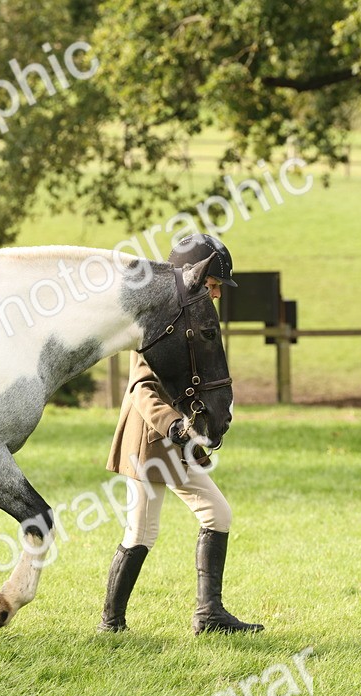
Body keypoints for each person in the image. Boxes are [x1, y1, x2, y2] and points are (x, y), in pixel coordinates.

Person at [100, 233, 263, 636]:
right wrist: (174, 424)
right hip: (150, 442)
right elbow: (141, 389)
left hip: (176, 443)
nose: (217, 295)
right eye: (212, 286)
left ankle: (205, 615)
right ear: (191, 279)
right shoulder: (158, 319)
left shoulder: (193, 315)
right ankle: (115, 623)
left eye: (218, 288)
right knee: (146, 530)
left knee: (206, 516)